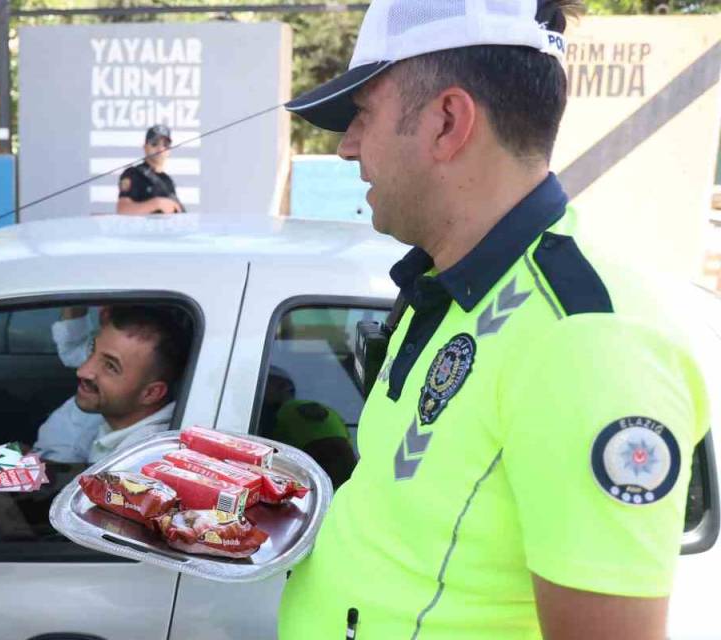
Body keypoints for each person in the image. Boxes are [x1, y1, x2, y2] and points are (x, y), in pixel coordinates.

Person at [278, 1, 710, 639]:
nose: (346, 146)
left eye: (362, 114)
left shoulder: (585, 343)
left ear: (448, 121)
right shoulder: (451, 284)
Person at [33, 305, 190, 463]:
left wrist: (11, 462)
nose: (82, 371)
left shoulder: (137, 459)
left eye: (110, 366)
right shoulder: (120, 425)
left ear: (150, 393)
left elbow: (67, 483)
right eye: (92, 350)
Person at [116, 124, 184, 215]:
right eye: (154, 143)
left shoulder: (167, 180)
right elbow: (123, 210)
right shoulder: (132, 174)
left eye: (165, 145)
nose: (160, 149)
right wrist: (157, 204)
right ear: (145, 147)